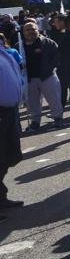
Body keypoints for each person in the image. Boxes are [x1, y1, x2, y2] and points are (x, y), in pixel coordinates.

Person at [20, 22, 64, 133]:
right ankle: (35, 122)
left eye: (33, 29)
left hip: (47, 76)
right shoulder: (19, 45)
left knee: (54, 99)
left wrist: (50, 68)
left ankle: (58, 118)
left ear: (38, 29)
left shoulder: (48, 42)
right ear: (23, 32)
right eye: (27, 30)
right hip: (29, 78)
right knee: (32, 102)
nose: (30, 31)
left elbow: (57, 57)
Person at [0, 46, 23, 212]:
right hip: (2, 112)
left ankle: (1, 197)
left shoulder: (3, 50)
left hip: (10, 111)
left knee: (9, 155)